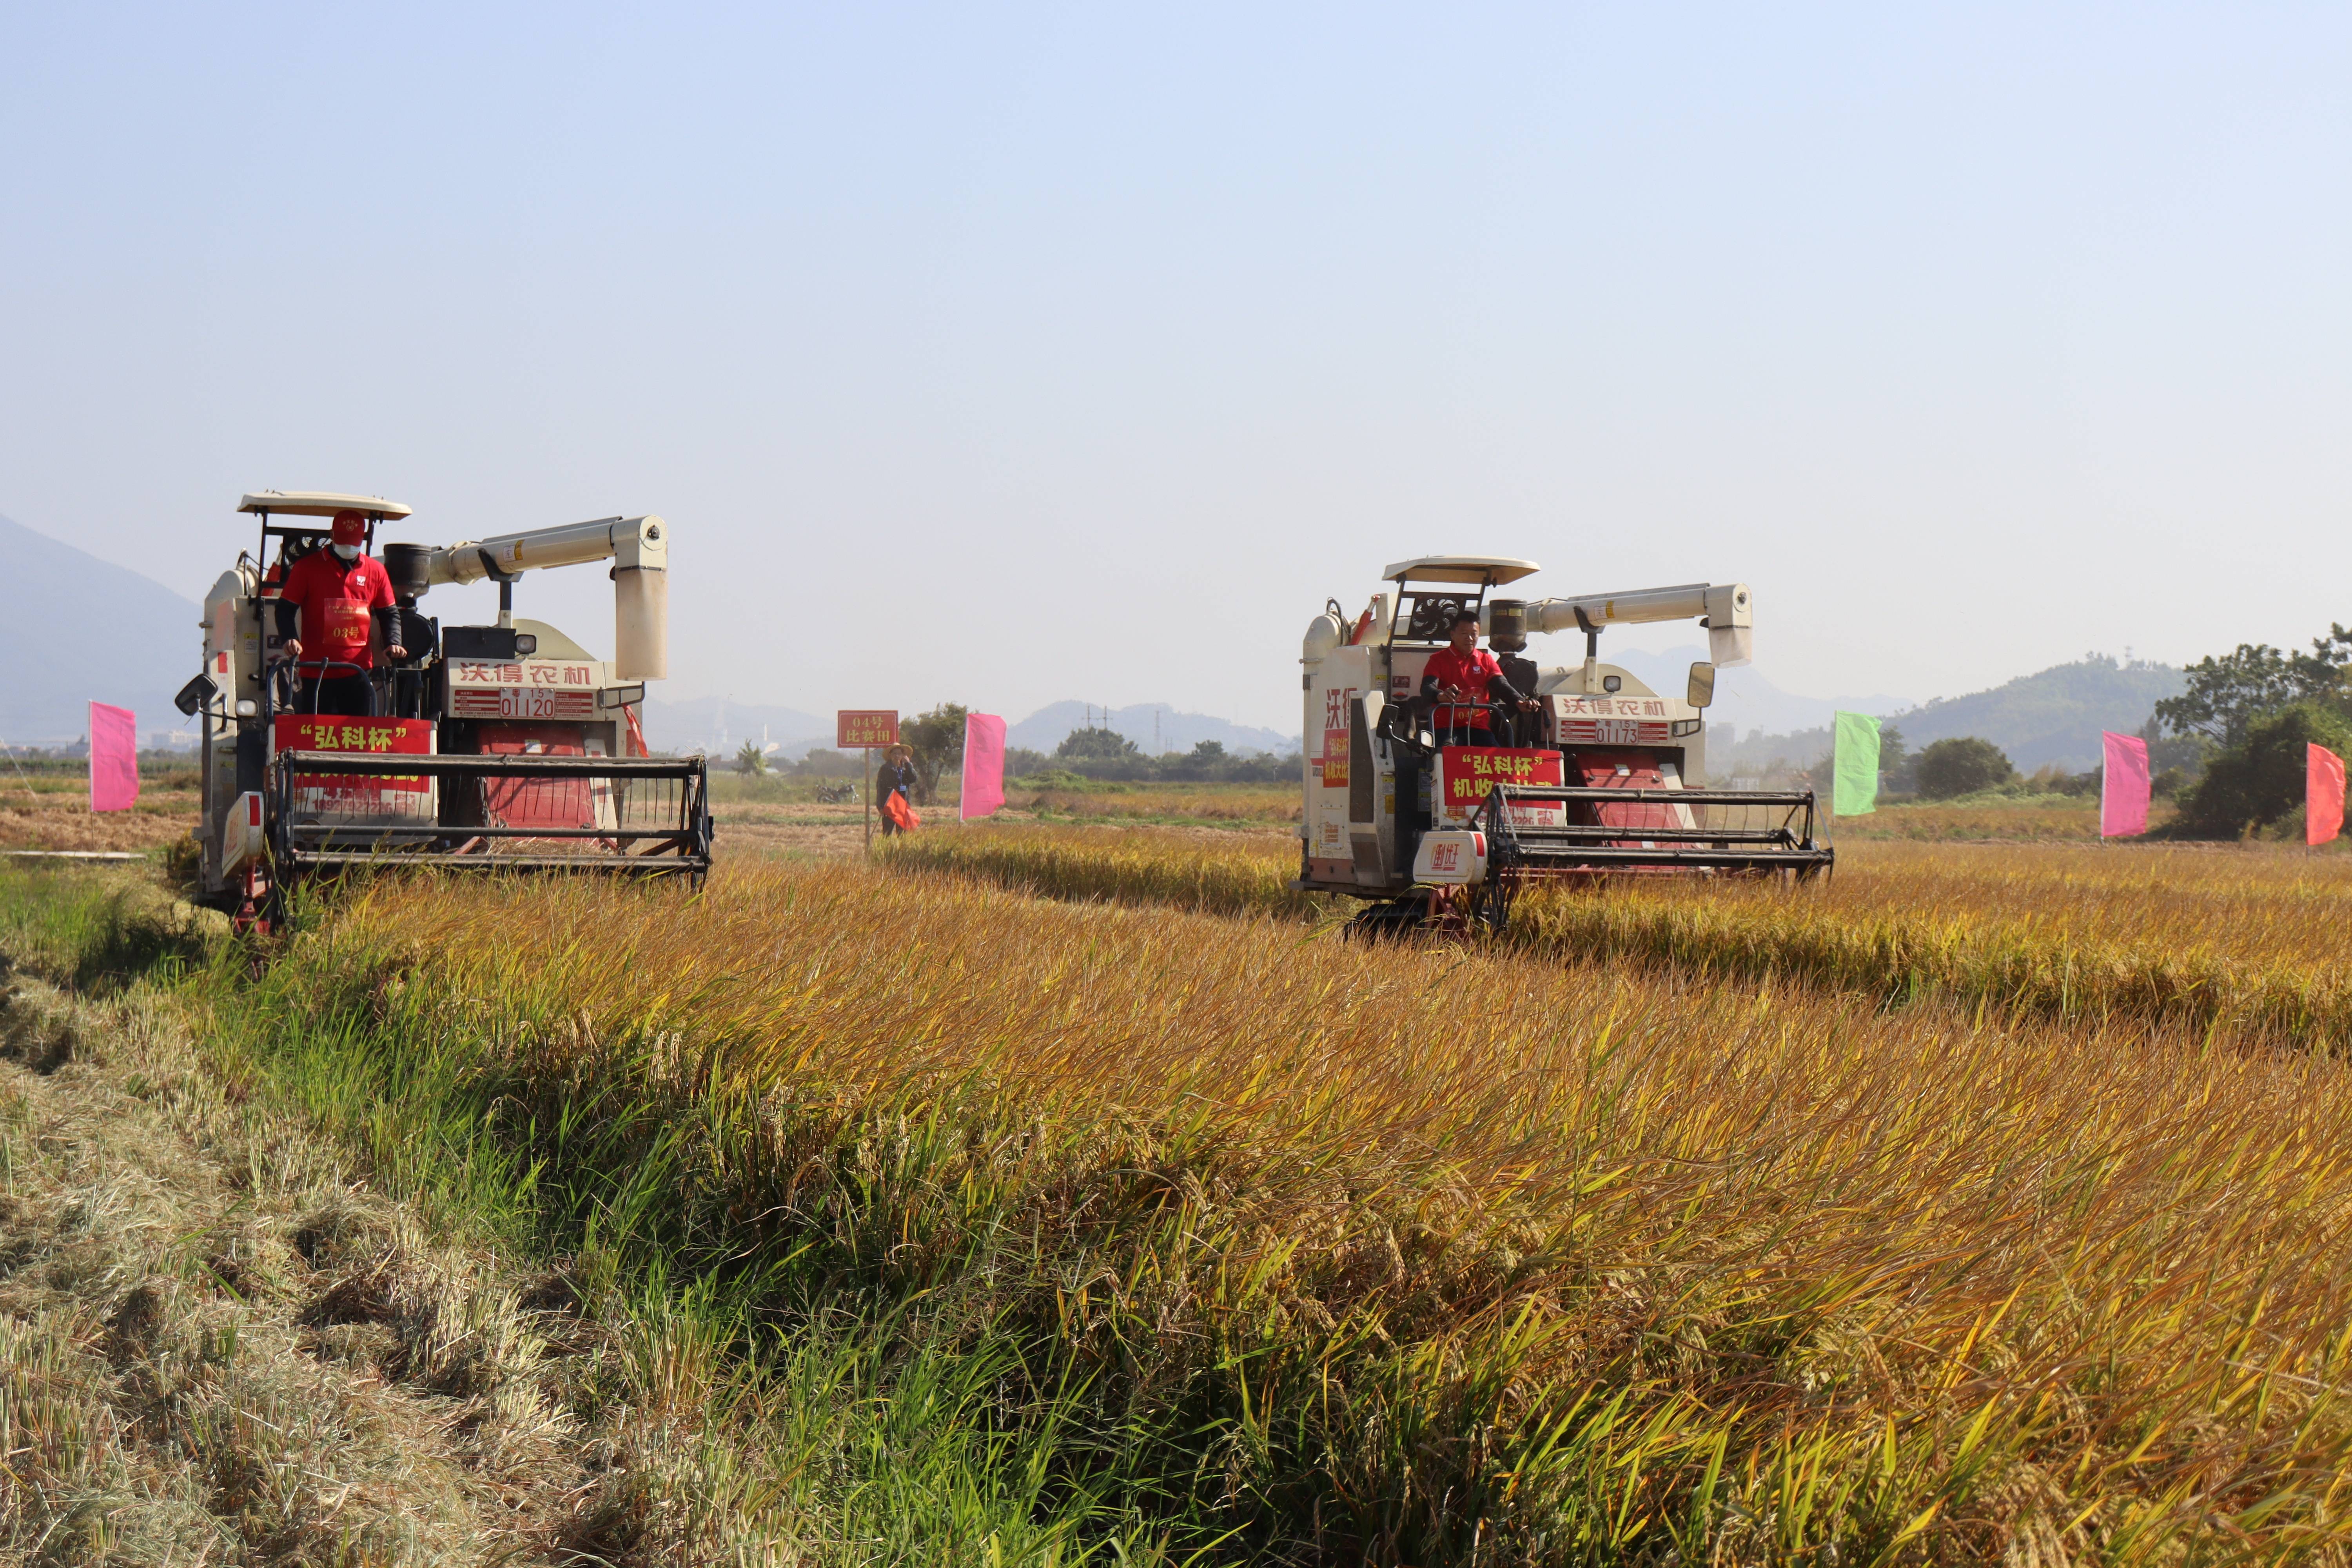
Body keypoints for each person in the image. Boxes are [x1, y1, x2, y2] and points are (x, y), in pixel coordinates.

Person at [276, 512, 405, 716]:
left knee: (357, 734)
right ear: (332, 536)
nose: (349, 548)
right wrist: (290, 639)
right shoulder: (306, 568)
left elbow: (389, 613)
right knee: (315, 734)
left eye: (354, 544)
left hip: (359, 672)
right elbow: (285, 608)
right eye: (344, 543)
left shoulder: (376, 571)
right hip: (316, 671)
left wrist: (394, 642)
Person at [1421, 611, 1537, 743]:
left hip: (1479, 728)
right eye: (1464, 634)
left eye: (1474, 634)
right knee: (1447, 758)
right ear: (1452, 635)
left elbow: (1501, 686)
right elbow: (1427, 687)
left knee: (1495, 759)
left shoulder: (1486, 660)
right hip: (1446, 728)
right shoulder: (1438, 660)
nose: (1469, 639)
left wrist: (1520, 702)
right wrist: (1441, 696)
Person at [875, 744, 919, 835]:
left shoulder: (906, 768)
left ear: (903, 756)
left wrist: (909, 765)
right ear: (890, 755)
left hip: (903, 804)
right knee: (887, 833)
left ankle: (900, 849)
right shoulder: (885, 769)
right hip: (890, 804)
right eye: (895, 754)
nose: (897, 756)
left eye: (899, 754)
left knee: (902, 833)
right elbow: (880, 788)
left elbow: (913, 779)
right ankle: (887, 849)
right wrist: (880, 806)